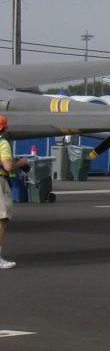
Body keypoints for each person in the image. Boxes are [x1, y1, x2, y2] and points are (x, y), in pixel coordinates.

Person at [0, 114, 33, 269]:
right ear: (4, 128)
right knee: (1, 220)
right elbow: (7, 166)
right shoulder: (3, 142)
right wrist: (21, 162)